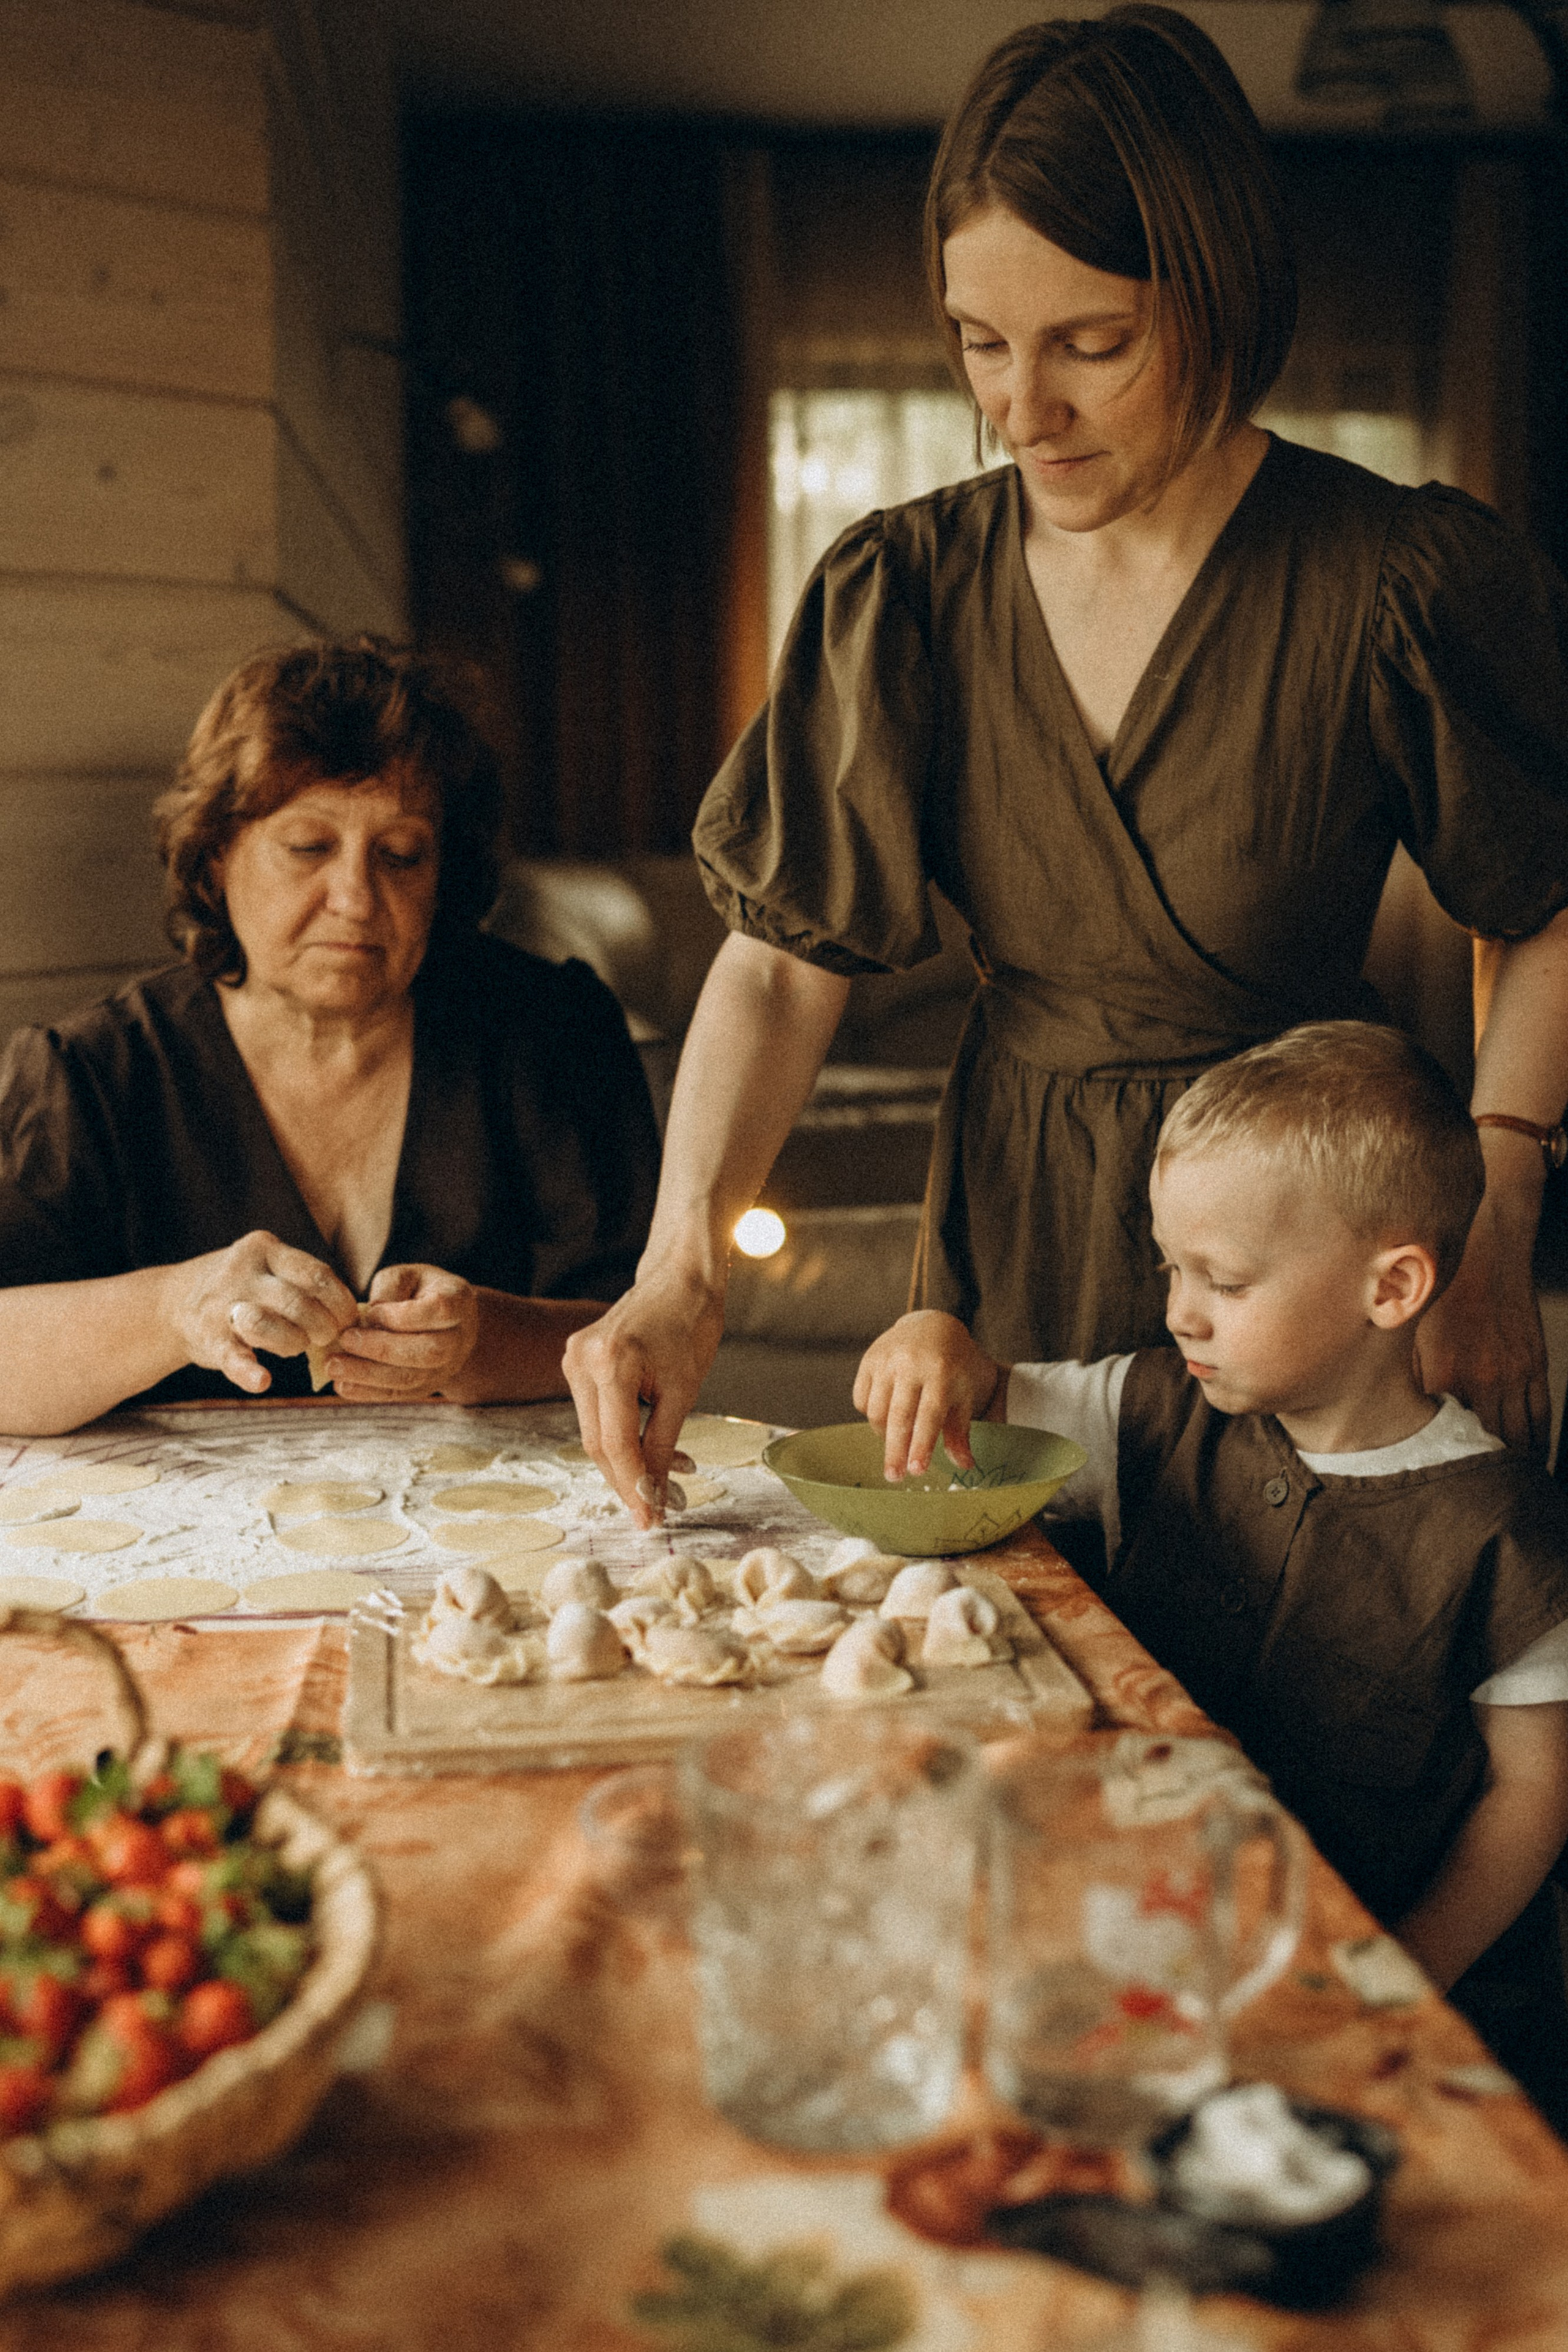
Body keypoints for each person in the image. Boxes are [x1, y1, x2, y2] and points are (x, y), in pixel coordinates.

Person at [565, 4, 1568, 1526]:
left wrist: (1494, 1226)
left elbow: (1541, 905)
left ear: (1217, 298)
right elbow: (777, 968)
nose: (1018, 413)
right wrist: (676, 1271)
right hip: (1009, 1239)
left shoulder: (1398, 579)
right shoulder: (901, 592)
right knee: (1021, 1635)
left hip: (1306, 1234)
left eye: (1090, 345)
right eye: (980, 344)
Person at [856, 1021, 1568, 2122]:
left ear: (1392, 1288)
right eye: (1170, 1268)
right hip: (1159, 1943)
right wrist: (932, 1335)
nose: (1179, 1309)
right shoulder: (1150, 1406)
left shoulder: (1503, 1525)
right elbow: (984, 1397)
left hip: (1394, 2006)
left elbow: (1534, 1794)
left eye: (1222, 1280)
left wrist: (1402, 1972)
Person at [0, 639, 659, 1432]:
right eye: (308, 848)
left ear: (445, 874)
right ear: (216, 857)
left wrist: (478, 1342)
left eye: (401, 855)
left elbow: (645, 1331)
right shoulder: (90, 1074)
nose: (355, 897)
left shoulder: (553, 1034)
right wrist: (174, 1308)